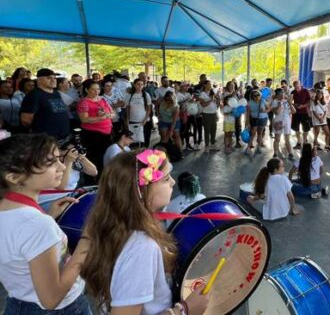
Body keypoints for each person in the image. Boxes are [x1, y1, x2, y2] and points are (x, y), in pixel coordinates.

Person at [80, 149, 209, 315]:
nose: (173, 183)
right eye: (165, 178)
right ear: (140, 192)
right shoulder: (141, 247)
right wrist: (184, 310)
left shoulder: (120, 227)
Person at [0, 134, 90, 314]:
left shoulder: (9, 211)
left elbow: (19, 248)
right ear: (14, 177)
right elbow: (51, 299)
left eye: (59, 159)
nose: (63, 167)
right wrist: (87, 241)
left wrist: (48, 215)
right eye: (51, 163)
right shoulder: (37, 224)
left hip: (18, 303)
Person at [77, 79, 114, 178]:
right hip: (93, 134)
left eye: (98, 89)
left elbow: (113, 114)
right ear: (86, 90)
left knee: (105, 157)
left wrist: (107, 115)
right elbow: (84, 119)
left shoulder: (102, 100)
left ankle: (103, 177)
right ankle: (93, 180)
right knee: (94, 158)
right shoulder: (84, 102)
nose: (96, 92)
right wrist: (102, 117)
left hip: (107, 132)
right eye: (93, 90)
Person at [20, 68, 70, 140]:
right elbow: (25, 120)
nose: (53, 80)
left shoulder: (55, 92)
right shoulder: (34, 94)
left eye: (54, 78)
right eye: (49, 78)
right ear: (39, 80)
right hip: (45, 139)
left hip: (63, 135)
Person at [126, 78, 152, 147]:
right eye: (138, 84)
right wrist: (128, 119)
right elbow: (128, 108)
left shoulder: (146, 95)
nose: (140, 86)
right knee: (133, 141)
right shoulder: (129, 95)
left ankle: (144, 155)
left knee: (144, 141)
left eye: (141, 84)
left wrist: (145, 119)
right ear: (134, 85)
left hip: (144, 122)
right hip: (133, 121)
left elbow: (149, 109)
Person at [271, 88, 295, 160]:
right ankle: (275, 153)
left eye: (283, 93)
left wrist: (290, 104)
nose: (282, 95)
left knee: (287, 139)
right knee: (277, 138)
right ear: (277, 95)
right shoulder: (274, 102)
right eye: (280, 94)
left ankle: (290, 153)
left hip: (287, 122)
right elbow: (277, 112)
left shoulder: (287, 101)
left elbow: (294, 111)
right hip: (278, 121)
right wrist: (280, 103)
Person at [246, 89, 271, 156]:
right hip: (254, 119)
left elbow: (269, 108)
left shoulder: (263, 101)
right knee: (253, 133)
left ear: (260, 95)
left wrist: (264, 111)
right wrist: (247, 123)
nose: (257, 96)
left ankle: (258, 147)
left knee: (260, 133)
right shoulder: (249, 102)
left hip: (262, 119)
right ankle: (248, 147)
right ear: (252, 96)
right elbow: (248, 113)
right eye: (255, 95)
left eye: (258, 95)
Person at [198, 80, 220, 153]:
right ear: (205, 85)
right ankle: (207, 145)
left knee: (213, 130)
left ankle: (213, 144)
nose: (210, 86)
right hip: (206, 114)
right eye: (208, 84)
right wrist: (211, 99)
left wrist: (218, 99)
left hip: (214, 113)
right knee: (207, 130)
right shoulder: (202, 94)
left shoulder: (212, 93)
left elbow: (217, 104)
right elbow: (203, 104)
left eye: (210, 84)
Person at [291, 80, 311, 149]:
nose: (297, 88)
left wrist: (303, 106)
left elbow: (309, 101)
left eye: (298, 86)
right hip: (296, 113)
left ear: (300, 84)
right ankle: (299, 142)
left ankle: (305, 142)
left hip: (304, 112)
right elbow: (290, 102)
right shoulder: (293, 92)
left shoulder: (305, 91)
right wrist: (294, 104)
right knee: (296, 128)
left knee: (306, 128)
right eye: (295, 86)